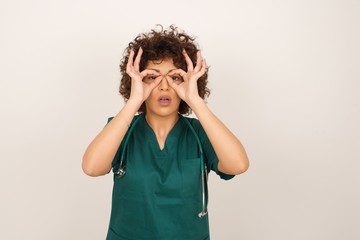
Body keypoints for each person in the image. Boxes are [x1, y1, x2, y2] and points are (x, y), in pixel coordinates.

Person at [82, 25, 249, 240]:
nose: (164, 86)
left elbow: (238, 164)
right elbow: (91, 167)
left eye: (175, 78)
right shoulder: (121, 128)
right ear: (137, 81)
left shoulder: (199, 133)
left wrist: (196, 101)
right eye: (152, 77)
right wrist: (134, 101)